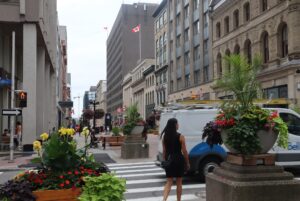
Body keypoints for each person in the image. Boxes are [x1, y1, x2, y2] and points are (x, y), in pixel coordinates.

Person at [161, 118, 190, 201]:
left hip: (169, 161)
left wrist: (165, 161)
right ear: (175, 125)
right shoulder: (180, 136)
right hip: (179, 160)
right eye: (177, 124)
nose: (178, 125)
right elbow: (184, 151)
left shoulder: (164, 137)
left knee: (169, 182)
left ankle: (164, 199)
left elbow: (164, 151)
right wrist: (187, 162)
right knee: (179, 182)